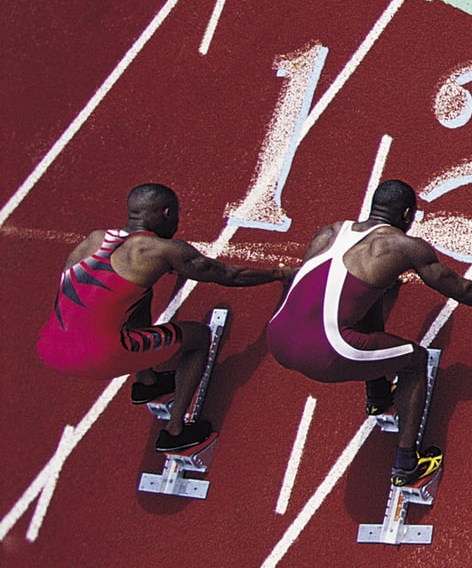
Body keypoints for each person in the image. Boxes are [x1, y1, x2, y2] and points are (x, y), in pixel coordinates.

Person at [267, 179, 472, 489]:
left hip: (278, 337)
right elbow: (459, 288)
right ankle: (408, 465)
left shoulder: (329, 231)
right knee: (414, 359)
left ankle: (378, 396)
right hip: (328, 352)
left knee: (370, 299)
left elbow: (321, 288)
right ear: (407, 214)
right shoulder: (403, 247)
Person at [37, 183, 290, 453]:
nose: (178, 224)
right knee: (199, 337)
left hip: (49, 348)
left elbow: (94, 290)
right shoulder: (159, 250)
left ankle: (147, 383)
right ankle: (176, 431)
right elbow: (229, 276)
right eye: (177, 216)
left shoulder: (94, 239)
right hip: (101, 355)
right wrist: (279, 274)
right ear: (166, 213)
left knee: (138, 295)